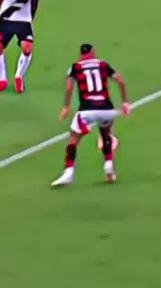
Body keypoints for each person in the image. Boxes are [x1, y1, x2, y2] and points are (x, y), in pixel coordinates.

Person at [51, 43, 130, 187]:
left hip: (86, 111)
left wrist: (66, 107)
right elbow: (121, 81)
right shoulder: (103, 64)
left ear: (81, 54)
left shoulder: (75, 67)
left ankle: (68, 172)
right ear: (93, 52)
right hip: (106, 109)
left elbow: (69, 88)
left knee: (74, 139)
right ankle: (108, 165)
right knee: (106, 134)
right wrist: (125, 102)